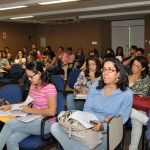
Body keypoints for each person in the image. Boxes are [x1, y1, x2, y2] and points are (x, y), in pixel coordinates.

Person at [51, 57, 133, 150]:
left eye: (110, 70)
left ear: (118, 73)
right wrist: (105, 118)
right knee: (55, 127)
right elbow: (87, 110)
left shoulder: (126, 93)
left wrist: (103, 127)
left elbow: (121, 120)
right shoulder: (96, 86)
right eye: (104, 69)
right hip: (88, 124)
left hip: (108, 132)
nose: (105, 73)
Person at [0, 61, 57, 150]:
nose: (29, 79)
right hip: (32, 120)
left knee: (10, 123)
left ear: (39, 73)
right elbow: (26, 103)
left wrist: (30, 110)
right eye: (28, 77)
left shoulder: (50, 87)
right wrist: (9, 106)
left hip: (46, 123)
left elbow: (52, 112)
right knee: (11, 140)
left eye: (31, 76)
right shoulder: (33, 86)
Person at [129, 56, 150, 150]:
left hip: (137, 105)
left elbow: (141, 94)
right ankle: (147, 121)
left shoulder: (146, 79)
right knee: (136, 116)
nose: (134, 67)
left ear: (143, 68)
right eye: (133, 65)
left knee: (137, 120)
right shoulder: (125, 76)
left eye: (137, 66)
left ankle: (133, 148)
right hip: (124, 105)